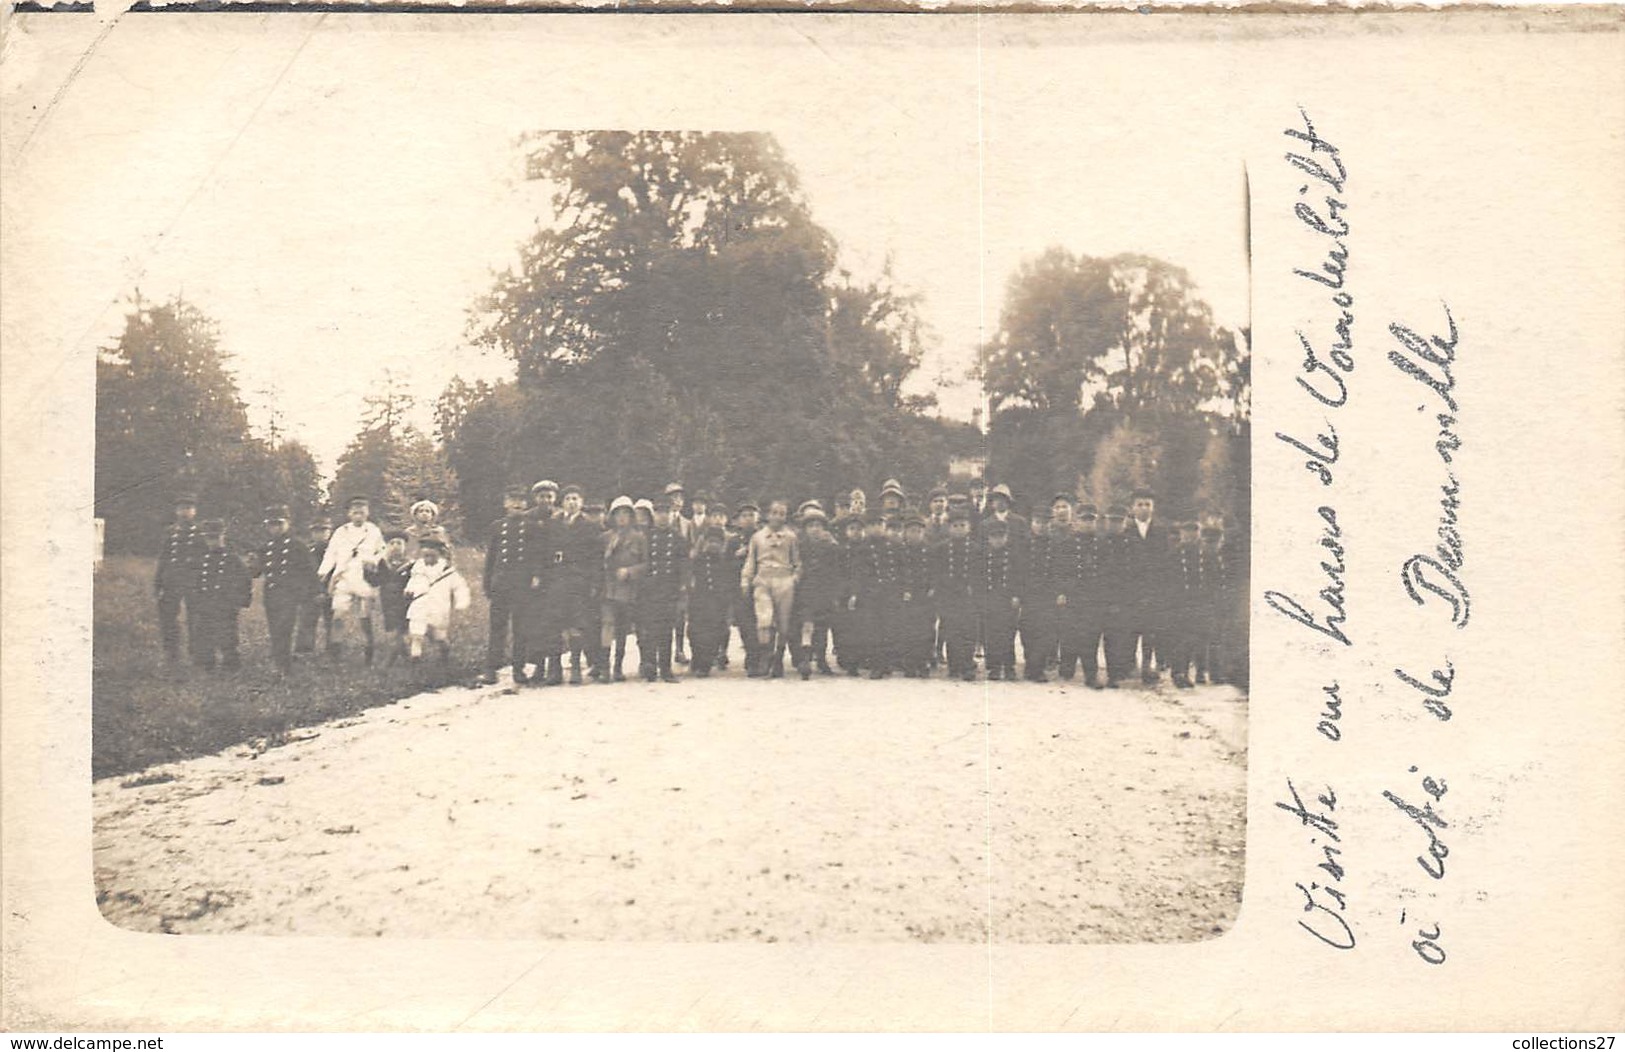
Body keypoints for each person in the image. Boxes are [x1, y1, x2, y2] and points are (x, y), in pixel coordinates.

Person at [317, 496, 387, 665]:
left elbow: (383, 550)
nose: (358, 516)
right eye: (355, 512)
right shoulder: (341, 531)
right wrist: (323, 572)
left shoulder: (373, 530)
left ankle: (369, 649)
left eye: (362, 512)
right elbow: (331, 553)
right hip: (344, 576)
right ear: (349, 513)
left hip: (364, 576)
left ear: (367, 513)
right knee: (338, 616)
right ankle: (335, 652)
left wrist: (374, 560)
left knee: (365, 615)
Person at [250, 504, 315, 674]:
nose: (275, 528)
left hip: (290, 594)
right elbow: (256, 572)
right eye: (271, 524)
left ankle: (283, 666)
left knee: (283, 628)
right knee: (274, 629)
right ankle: (280, 662)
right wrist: (253, 564)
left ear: (288, 523)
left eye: (279, 523)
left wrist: (316, 592)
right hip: (271, 594)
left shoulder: (297, 546)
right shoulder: (265, 547)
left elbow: (309, 570)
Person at [482, 484, 537, 685]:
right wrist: (487, 583)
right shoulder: (497, 526)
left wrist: (536, 576)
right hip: (501, 583)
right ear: (505, 503)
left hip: (522, 584)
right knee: (497, 627)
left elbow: (537, 556)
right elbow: (491, 558)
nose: (517, 504)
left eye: (521, 500)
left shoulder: (531, 526)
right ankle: (491, 668)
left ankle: (518, 668)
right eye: (512, 499)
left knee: (521, 627)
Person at [741, 498, 801, 678]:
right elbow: (751, 561)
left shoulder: (791, 537)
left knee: (783, 623)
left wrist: (793, 579)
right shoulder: (757, 537)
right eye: (775, 513)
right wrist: (746, 580)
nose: (778, 517)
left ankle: (778, 660)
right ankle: (765, 656)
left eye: (782, 514)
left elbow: (797, 562)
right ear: (768, 515)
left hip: (784, 581)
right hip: (763, 581)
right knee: (764, 620)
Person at [1122, 488, 1169, 685]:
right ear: (1132, 508)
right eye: (1139, 504)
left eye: (1147, 504)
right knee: (1130, 628)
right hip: (1131, 590)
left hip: (1154, 589)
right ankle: (1128, 665)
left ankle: (1147, 665)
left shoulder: (1161, 531)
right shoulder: (1126, 531)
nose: (1144, 508)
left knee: (1151, 629)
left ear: (1153, 508)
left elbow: (1165, 563)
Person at [191, 519, 252, 670]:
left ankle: (231, 667)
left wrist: (237, 602)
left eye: (215, 537)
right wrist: (197, 600)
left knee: (227, 637)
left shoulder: (232, 559)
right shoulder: (202, 559)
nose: (212, 542)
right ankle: (206, 666)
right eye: (208, 538)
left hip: (225, 606)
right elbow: (196, 581)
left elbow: (245, 580)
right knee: (204, 635)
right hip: (206, 604)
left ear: (223, 536)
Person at [639, 496, 687, 683]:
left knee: (666, 630)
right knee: (650, 629)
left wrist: (683, 584)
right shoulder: (646, 537)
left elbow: (683, 563)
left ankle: (666, 669)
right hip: (649, 590)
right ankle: (650, 667)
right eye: (659, 513)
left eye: (666, 513)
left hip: (669, 589)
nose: (662, 517)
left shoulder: (677, 538)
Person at [154, 491, 204, 666]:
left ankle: (196, 654)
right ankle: (171, 653)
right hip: (172, 581)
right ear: (176, 511)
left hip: (194, 581)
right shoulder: (170, 532)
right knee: (168, 618)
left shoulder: (201, 532)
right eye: (182, 508)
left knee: (196, 618)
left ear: (195, 511)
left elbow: (206, 557)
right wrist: (158, 583)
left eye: (189, 508)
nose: (185, 512)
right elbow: (163, 558)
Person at [600, 496, 646, 683]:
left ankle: (618, 667)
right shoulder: (604, 538)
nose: (621, 517)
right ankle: (604, 668)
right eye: (618, 513)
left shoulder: (639, 538)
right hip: (607, 589)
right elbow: (596, 563)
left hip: (628, 590)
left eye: (626, 513)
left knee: (621, 629)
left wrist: (630, 571)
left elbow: (647, 564)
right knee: (607, 625)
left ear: (631, 517)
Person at [791, 506, 841, 678]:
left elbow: (835, 570)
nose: (815, 529)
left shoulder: (831, 546)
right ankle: (805, 659)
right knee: (806, 624)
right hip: (805, 589)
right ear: (805, 529)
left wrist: (834, 592)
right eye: (811, 525)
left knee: (822, 626)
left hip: (824, 590)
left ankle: (821, 659)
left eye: (818, 525)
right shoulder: (800, 545)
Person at [404, 538, 471, 664]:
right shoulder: (418, 569)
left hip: (438, 606)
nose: (428, 558)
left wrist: (461, 603)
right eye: (425, 556)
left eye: (431, 555)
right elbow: (413, 582)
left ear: (439, 554)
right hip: (420, 603)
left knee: (438, 636)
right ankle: (415, 656)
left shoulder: (447, 571)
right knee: (416, 631)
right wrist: (409, 590)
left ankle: (444, 650)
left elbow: (459, 587)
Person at [931, 508, 979, 681]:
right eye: (955, 525)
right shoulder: (941, 549)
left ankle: (967, 664)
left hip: (968, 595)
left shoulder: (976, 549)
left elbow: (979, 572)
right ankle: (954, 665)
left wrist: (974, 587)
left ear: (969, 527)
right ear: (949, 528)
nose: (959, 528)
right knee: (951, 630)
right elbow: (936, 572)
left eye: (962, 525)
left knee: (968, 630)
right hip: (949, 595)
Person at [687, 518, 734, 678]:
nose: (713, 545)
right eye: (710, 541)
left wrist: (725, 601)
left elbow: (728, 583)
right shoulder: (698, 560)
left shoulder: (724, 562)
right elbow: (691, 578)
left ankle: (705, 663)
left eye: (717, 542)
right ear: (704, 542)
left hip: (717, 602)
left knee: (714, 633)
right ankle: (697, 657)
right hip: (699, 601)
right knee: (695, 631)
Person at [978, 519, 1024, 681]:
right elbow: (979, 577)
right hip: (989, 599)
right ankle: (994, 667)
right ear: (989, 538)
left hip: (1007, 599)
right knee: (991, 634)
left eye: (1001, 536)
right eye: (994, 536)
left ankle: (1009, 666)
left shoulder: (1013, 555)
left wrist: (1017, 595)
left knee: (1008, 633)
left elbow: (1019, 577)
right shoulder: (983, 555)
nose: (998, 540)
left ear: (1007, 537)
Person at [896, 514, 935, 677]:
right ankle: (909, 662)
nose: (915, 534)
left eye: (918, 531)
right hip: (907, 596)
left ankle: (924, 660)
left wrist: (933, 587)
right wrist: (903, 590)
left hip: (925, 595)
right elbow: (896, 573)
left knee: (926, 629)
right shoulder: (900, 550)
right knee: (907, 628)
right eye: (912, 531)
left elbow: (935, 571)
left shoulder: (929, 549)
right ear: (905, 532)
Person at [1100, 504, 1134, 687]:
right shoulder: (1100, 542)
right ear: (1106, 521)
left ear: (1125, 522)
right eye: (1112, 521)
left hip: (1125, 597)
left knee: (1124, 636)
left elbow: (1134, 573)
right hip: (1104, 597)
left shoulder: (1131, 544)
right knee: (1110, 637)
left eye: (1119, 521)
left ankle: (1122, 669)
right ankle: (1113, 674)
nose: (1115, 525)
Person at [832, 514, 868, 675]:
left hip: (864, 593)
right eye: (852, 529)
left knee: (861, 627)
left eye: (859, 529)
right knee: (844, 627)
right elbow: (839, 573)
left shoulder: (868, 550)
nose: (856, 532)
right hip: (844, 593)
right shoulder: (841, 550)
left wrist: (857, 592)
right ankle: (846, 658)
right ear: (846, 531)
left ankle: (859, 659)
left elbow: (865, 573)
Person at [729, 501, 762, 673]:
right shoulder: (733, 541)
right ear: (738, 520)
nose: (748, 519)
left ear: (758, 517)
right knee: (745, 624)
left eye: (751, 515)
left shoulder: (765, 537)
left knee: (763, 622)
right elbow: (726, 566)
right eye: (744, 516)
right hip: (740, 589)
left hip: (761, 586)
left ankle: (762, 658)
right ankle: (752, 658)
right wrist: (736, 556)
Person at [295, 517, 334, 654]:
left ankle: (332, 651)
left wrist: (327, 591)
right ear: (311, 533)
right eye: (316, 531)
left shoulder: (336, 551)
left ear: (330, 531)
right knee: (307, 620)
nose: (320, 534)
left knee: (333, 622)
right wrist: (313, 591)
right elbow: (303, 574)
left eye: (323, 530)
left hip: (332, 591)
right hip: (311, 593)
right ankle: (304, 651)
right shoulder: (306, 551)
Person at [377, 529, 415, 666]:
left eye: (399, 543)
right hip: (387, 601)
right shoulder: (382, 563)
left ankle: (389, 661)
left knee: (400, 631)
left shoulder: (411, 564)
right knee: (394, 630)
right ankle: (408, 659)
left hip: (404, 601)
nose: (395, 546)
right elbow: (376, 581)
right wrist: (367, 570)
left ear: (405, 546)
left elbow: (415, 581)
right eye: (391, 543)